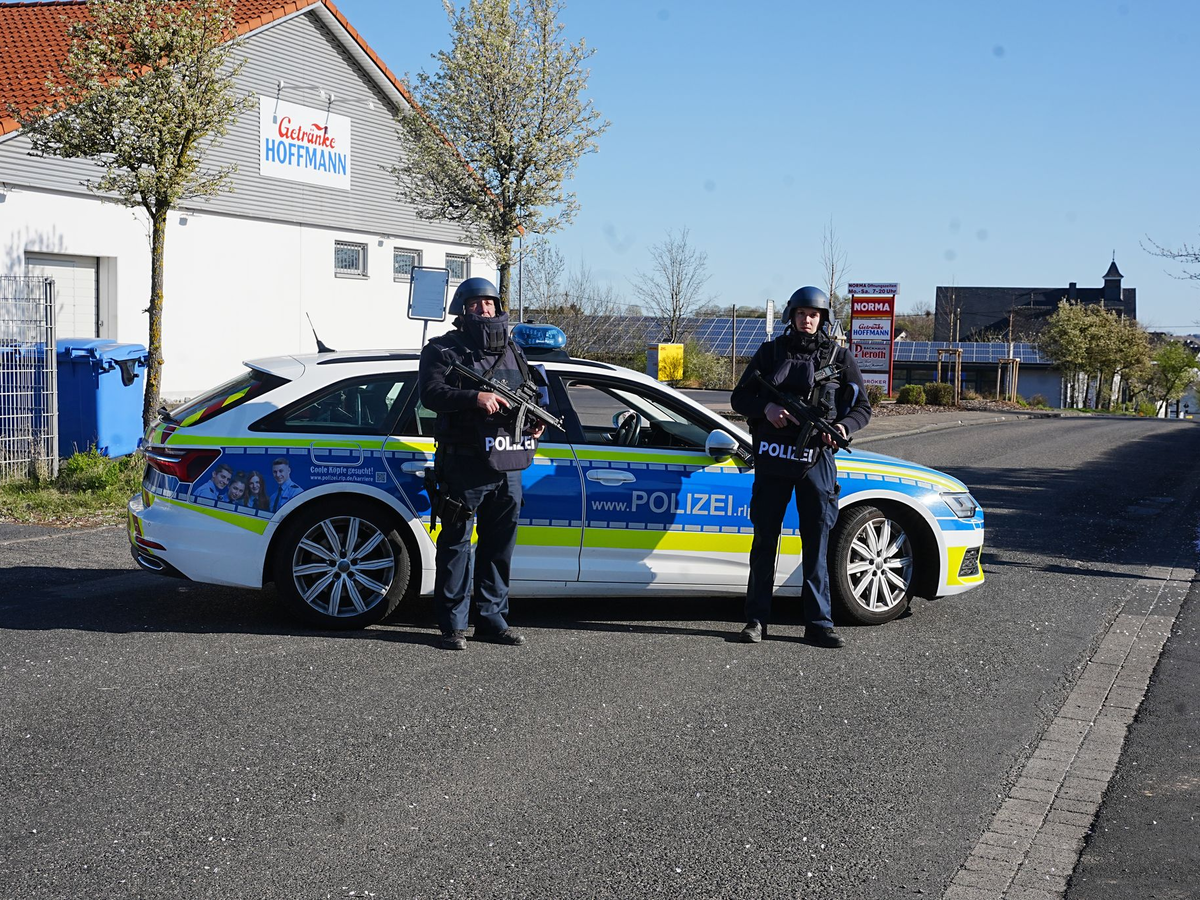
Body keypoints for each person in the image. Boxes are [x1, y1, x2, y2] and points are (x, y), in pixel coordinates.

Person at [729, 286, 872, 648]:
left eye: (814, 315)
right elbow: (740, 397)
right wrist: (767, 409)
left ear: (823, 319)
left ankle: (819, 624)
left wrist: (843, 428)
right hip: (773, 457)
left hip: (817, 461)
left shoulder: (839, 357)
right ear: (791, 316)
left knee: (817, 543)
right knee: (765, 541)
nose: (807, 320)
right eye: (801, 314)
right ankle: (756, 621)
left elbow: (862, 408)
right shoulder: (771, 352)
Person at [418, 276, 546, 651]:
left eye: (489, 303)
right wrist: (475, 397)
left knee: (499, 546)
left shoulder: (513, 350)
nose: (484, 309)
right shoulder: (442, 349)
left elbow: (530, 392)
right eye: (475, 303)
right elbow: (431, 394)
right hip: (464, 464)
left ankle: (492, 621)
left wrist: (535, 420)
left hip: (509, 462)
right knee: (457, 545)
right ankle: (453, 627)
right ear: (462, 310)